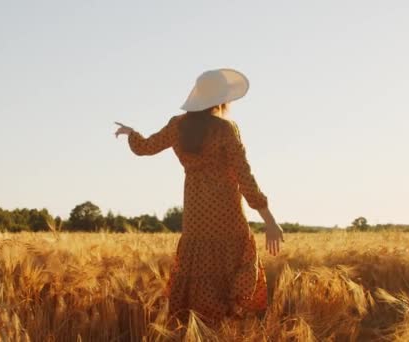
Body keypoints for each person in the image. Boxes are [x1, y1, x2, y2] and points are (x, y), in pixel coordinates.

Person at [114, 68, 284, 325]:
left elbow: (145, 148)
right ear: (220, 99)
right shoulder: (226, 129)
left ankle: (199, 328)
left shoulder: (177, 126)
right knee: (232, 273)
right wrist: (269, 220)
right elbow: (244, 176)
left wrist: (131, 133)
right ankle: (228, 328)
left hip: (195, 213)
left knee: (199, 274)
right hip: (226, 212)